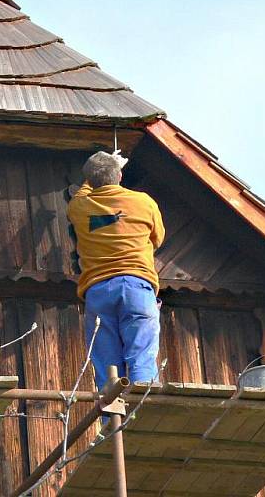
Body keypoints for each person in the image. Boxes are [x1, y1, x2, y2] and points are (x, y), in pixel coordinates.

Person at [67, 150, 165, 389]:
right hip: (136, 287)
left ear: (90, 180)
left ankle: (112, 425)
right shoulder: (144, 202)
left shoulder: (79, 207)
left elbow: (83, 191)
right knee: (141, 355)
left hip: (98, 291)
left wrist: (98, 172)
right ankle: (143, 413)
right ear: (120, 175)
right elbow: (158, 238)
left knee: (107, 367)